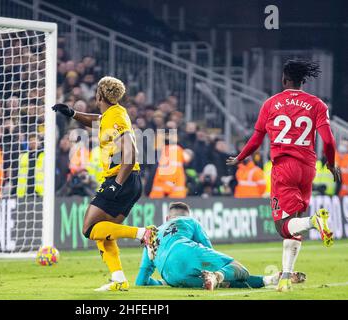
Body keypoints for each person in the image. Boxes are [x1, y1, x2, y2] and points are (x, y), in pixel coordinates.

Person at [226, 59, 341, 292]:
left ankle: (314, 222)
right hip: (308, 168)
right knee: (294, 225)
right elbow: (328, 141)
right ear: (302, 81)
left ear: (284, 79)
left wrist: (241, 157)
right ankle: (286, 278)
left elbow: (257, 139)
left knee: (283, 226)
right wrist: (330, 163)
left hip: (284, 167)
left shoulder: (271, 103)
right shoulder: (317, 104)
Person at [52, 76, 157, 292]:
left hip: (121, 178)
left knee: (89, 228)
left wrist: (116, 184)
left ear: (99, 94)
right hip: (129, 180)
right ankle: (118, 278)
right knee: (103, 231)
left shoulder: (115, 117)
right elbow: (98, 120)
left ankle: (143, 234)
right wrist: (72, 113)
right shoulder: (114, 113)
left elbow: (131, 154)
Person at [135, 202, 306, 290]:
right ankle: (217, 276)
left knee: (223, 283)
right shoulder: (190, 221)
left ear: (167, 219)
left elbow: (140, 282)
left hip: (170, 276)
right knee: (236, 270)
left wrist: (163, 283)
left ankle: (270, 279)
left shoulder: (153, 234)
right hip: (185, 251)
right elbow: (209, 248)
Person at [17, 134, 44, 198]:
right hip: (24, 193)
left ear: (39, 142)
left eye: (34, 140)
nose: (32, 142)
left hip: (39, 193)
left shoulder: (44, 155)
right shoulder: (23, 156)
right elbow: (18, 174)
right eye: (31, 140)